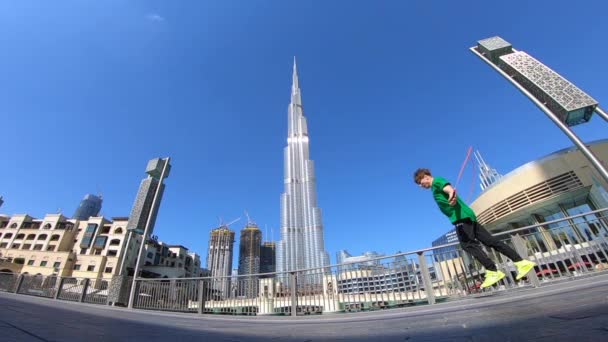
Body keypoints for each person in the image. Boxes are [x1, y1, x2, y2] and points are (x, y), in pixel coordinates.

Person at [414, 168, 536, 288]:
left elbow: (448, 188)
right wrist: (451, 196)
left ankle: (492, 271)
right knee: (490, 241)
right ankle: (521, 263)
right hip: (467, 216)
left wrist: (452, 194)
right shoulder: (435, 187)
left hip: (461, 218)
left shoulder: (436, 182)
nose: (420, 186)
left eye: (420, 183)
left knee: (467, 245)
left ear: (426, 177)